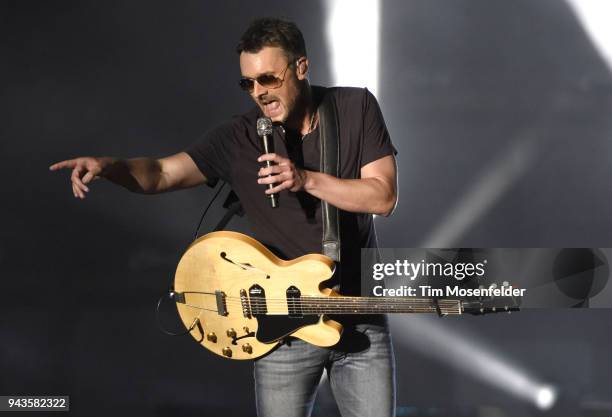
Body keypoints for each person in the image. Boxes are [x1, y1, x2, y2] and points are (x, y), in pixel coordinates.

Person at [50, 17, 398, 417]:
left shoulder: (354, 107)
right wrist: (110, 166)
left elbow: (383, 196)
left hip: (360, 316)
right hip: (280, 330)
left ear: (301, 67)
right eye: (247, 83)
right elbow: (162, 173)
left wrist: (305, 179)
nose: (259, 93)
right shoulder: (239, 138)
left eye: (267, 78)